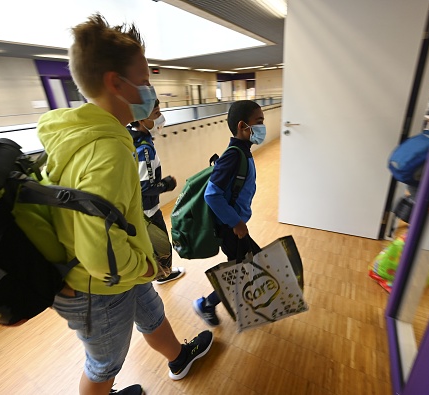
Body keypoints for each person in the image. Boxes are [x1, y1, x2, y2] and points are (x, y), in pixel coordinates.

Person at [37, 14, 213, 395]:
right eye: (146, 80)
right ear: (115, 83)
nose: (151, 90)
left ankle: (178, 357)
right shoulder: (108, 153)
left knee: (150, 312)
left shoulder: (78, 134)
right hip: (96, 284)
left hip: (115, 273)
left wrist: (136, 268)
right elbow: (100, 251)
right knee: (104, 365)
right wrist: (145, 265)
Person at [193, 100, 265, 326]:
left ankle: (232, 301)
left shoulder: (243, 151)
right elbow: (211, 194)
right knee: (242, 268)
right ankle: (206, 304)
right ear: (243, 126)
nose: (263, 127)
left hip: (236, 225)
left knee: (246, 265)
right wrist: (236, 223)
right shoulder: (233, 155)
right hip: (231, 227)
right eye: (259, 122)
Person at [127, 99, 185, 284]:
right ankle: (163, 274)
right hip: (148, 212)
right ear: (142, 119)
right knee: (162, 247)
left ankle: (158, 273)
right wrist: (167, 184)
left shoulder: (131, 139)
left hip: (137, 210)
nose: (161, 119)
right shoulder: (145, 149)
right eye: (156, 114)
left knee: (150, 246)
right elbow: (146, 187)